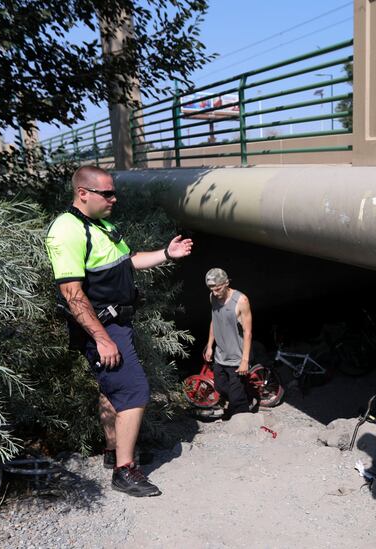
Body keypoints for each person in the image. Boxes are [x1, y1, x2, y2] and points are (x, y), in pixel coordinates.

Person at [45, 165, 193, 497]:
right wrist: (101, 337)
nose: (115, 198)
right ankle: (125, 472)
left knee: (111, 391)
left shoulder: (102, 226)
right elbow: (72, 294)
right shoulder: (67, 230)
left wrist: (167, 254)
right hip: (102, 327)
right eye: (107, 193)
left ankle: (114, 454)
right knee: (135, 391)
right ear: (83, 193)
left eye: (114, 192)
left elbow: (129, 260)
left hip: (117, 324)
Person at [203, 268, 253, 419]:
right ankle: (247, 399)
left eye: (218, 288)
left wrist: (245, 361)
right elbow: (215, 320)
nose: (215, 292)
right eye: (211, 289)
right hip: (220, 354)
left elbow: (248, 332)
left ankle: (243, 419)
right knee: (220, 386)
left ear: (226, 283)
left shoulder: (241, 301)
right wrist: (210, 345)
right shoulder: (212, 297)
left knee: (237, 397)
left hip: (237, 357)